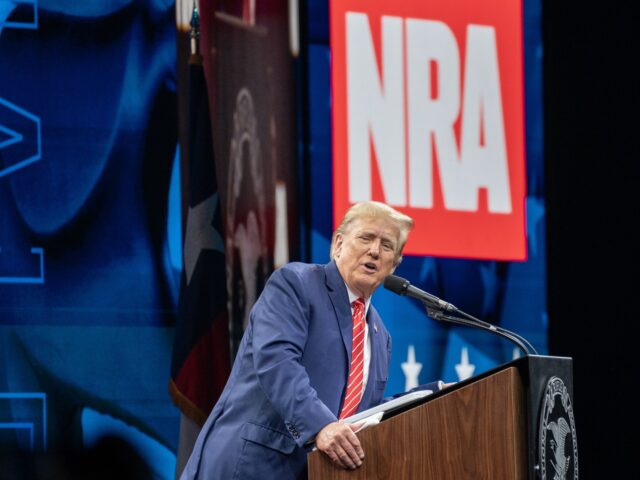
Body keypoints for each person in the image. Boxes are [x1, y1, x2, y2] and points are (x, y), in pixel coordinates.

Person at [180, 201, 444, 480]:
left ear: (395, 264)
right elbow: (277, 361)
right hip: (251, 465)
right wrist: (320, 426)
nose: (374, 251)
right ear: (338, 244)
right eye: (366, 238)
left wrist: (436, 394)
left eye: (387, 245)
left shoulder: (380, 335)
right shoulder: (297, 284)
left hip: (314, 473)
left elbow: (361, 415)